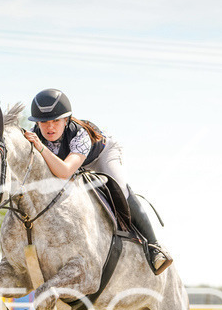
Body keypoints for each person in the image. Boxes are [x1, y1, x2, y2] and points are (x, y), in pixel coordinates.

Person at [22, 88, 173, 275]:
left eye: (56, 121)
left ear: (66, 120)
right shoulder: (33, 135)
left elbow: (65, 171)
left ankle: (155, 247)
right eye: (44, 122)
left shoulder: (79, 134)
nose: (50, 127)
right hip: (70, 162)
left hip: (101, 156)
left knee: (121, 190)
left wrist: (39, 147)